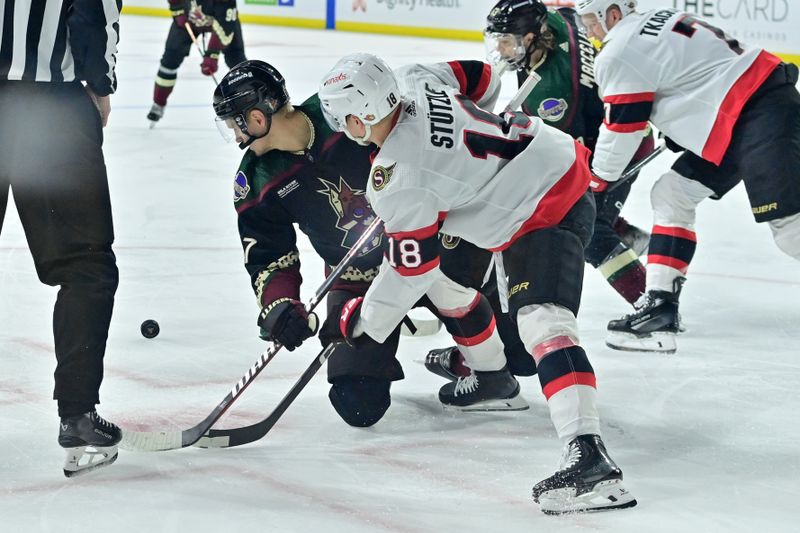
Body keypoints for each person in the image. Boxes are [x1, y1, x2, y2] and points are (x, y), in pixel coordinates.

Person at [318, 53, 637, 514]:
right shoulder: (413, 77)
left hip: (544, 205)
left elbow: (410, 270)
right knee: (449, 277)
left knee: (542, 322)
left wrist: (363, 322)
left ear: (357, 117)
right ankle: (491, 379)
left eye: (340, 118)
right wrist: (465, 150)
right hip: (541, 158)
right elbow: (481, 77)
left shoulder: (400, 177)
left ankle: (590, 460)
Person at [211, 60, 525, 428]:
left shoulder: (343, 109)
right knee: (357, 403)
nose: (235, 136)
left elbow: (433, 110)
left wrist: (473, 120)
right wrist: (279, 305)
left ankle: (470, 355)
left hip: (429, 245)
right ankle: (460, 342)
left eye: (237, 123)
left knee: (521, 354)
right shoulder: (257, 181)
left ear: (259, 115)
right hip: (358, 278)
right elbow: (268, 256)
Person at [425, 0, 657, 382]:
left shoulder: (550, 93)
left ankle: (650, 302)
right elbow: (565, 10)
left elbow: (550, 161)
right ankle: (627, 233)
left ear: (532, 38)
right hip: (607, 126)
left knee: (588, 228)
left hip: (620, 140)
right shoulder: (553, 19)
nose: (501, 51)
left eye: (509, 42)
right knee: (588, 218)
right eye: (498, 40)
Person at [575, 0, 800, 353]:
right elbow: (696, 74)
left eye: (590, 21)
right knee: (671, 195)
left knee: (790, 229)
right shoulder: (653, 20)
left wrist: (597, 181)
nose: (587, 30)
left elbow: (623, 128)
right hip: (740, 113)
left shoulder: (618, 50)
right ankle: (661, 308)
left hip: (757, 113)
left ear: (613, 14)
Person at [0, 0, 123, 476]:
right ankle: (77, 415)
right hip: (51, 109)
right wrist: (100, 84)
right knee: (85, 268)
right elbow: (94, 12)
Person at [148, 0, 247, 125]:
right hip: (190, 17)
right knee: (170, 58)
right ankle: (158, 102)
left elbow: (225, 23)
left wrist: (212, 55)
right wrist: (177, 9)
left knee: (236, 59)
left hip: (223, 19)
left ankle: (251, 98)